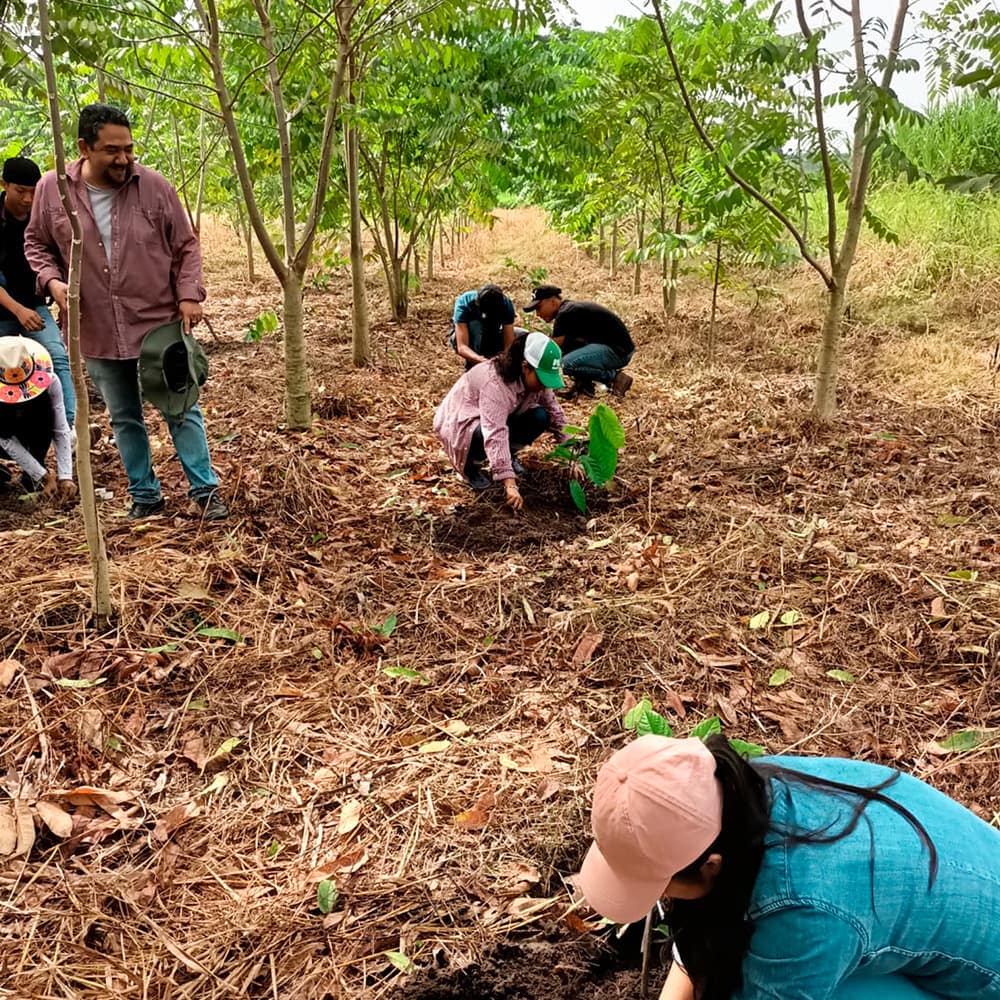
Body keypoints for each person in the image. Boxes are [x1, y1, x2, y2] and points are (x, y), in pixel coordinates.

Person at [576, 734, 1000, 1000]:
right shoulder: (736, 794)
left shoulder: (804, 911)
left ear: (710, 867)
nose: (662, 898)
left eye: (661, 886)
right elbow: (701, 940)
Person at [24, 103, 227, 521]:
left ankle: (205, 492)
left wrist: (189, 294)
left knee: (181, 407)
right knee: (123, 416)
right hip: (95, 324)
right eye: (112, 150)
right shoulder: (52, 189)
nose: (124, 159)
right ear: (84, 148)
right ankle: (145, 495)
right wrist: (52, 281)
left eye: (129, 149)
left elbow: (186, 245)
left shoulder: (155, 187)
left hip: (158, 322)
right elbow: (37, 244)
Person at [434, 331, 567, 510]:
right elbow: (495, 432)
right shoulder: (495, 384)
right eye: (542, 379)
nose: (545, 386)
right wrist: (510, 484)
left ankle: (508, 456)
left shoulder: (538, 385)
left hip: (496, 419)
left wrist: (573, 454)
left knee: (540, 416)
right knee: (481, 434)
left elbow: (556, 415)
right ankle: (470, 467)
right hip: (460, 423)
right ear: (525, 367)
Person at [0, 156, 76, 427]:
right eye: (21, 191)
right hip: (5, 308)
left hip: (34, 303)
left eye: (34, 191)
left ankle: (72, 426)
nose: (28, 199)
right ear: (4, 185)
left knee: (57, 356)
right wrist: (19, 311)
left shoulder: (42, 216)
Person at [524, 284, 635, 398]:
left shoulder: (565, 313)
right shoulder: (570, 309)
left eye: (538, 307)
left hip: (618, 352)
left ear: (552, 301)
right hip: (618, 348)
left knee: (567, 364)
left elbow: (551, 348)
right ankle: (584, 386)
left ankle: (615, 377)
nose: (537, 314)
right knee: (570, 351)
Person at [0, 335, 75, 500]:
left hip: (31, 428)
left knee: (43, 414)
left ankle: (34, 468)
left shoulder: (51, 382)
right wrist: (43, 476)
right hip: (4, 431)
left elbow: (60, 429)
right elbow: (5, 439)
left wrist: (66, 476)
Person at [449, 284, 519, 369]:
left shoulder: (505, 305)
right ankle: (472, 366)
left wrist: (503, 360)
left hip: (491, 333)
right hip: (468, 336)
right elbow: (462, 346)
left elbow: (509, 343)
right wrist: (480, 360)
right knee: (476, 326)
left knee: (521, 334)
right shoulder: (464, 303)